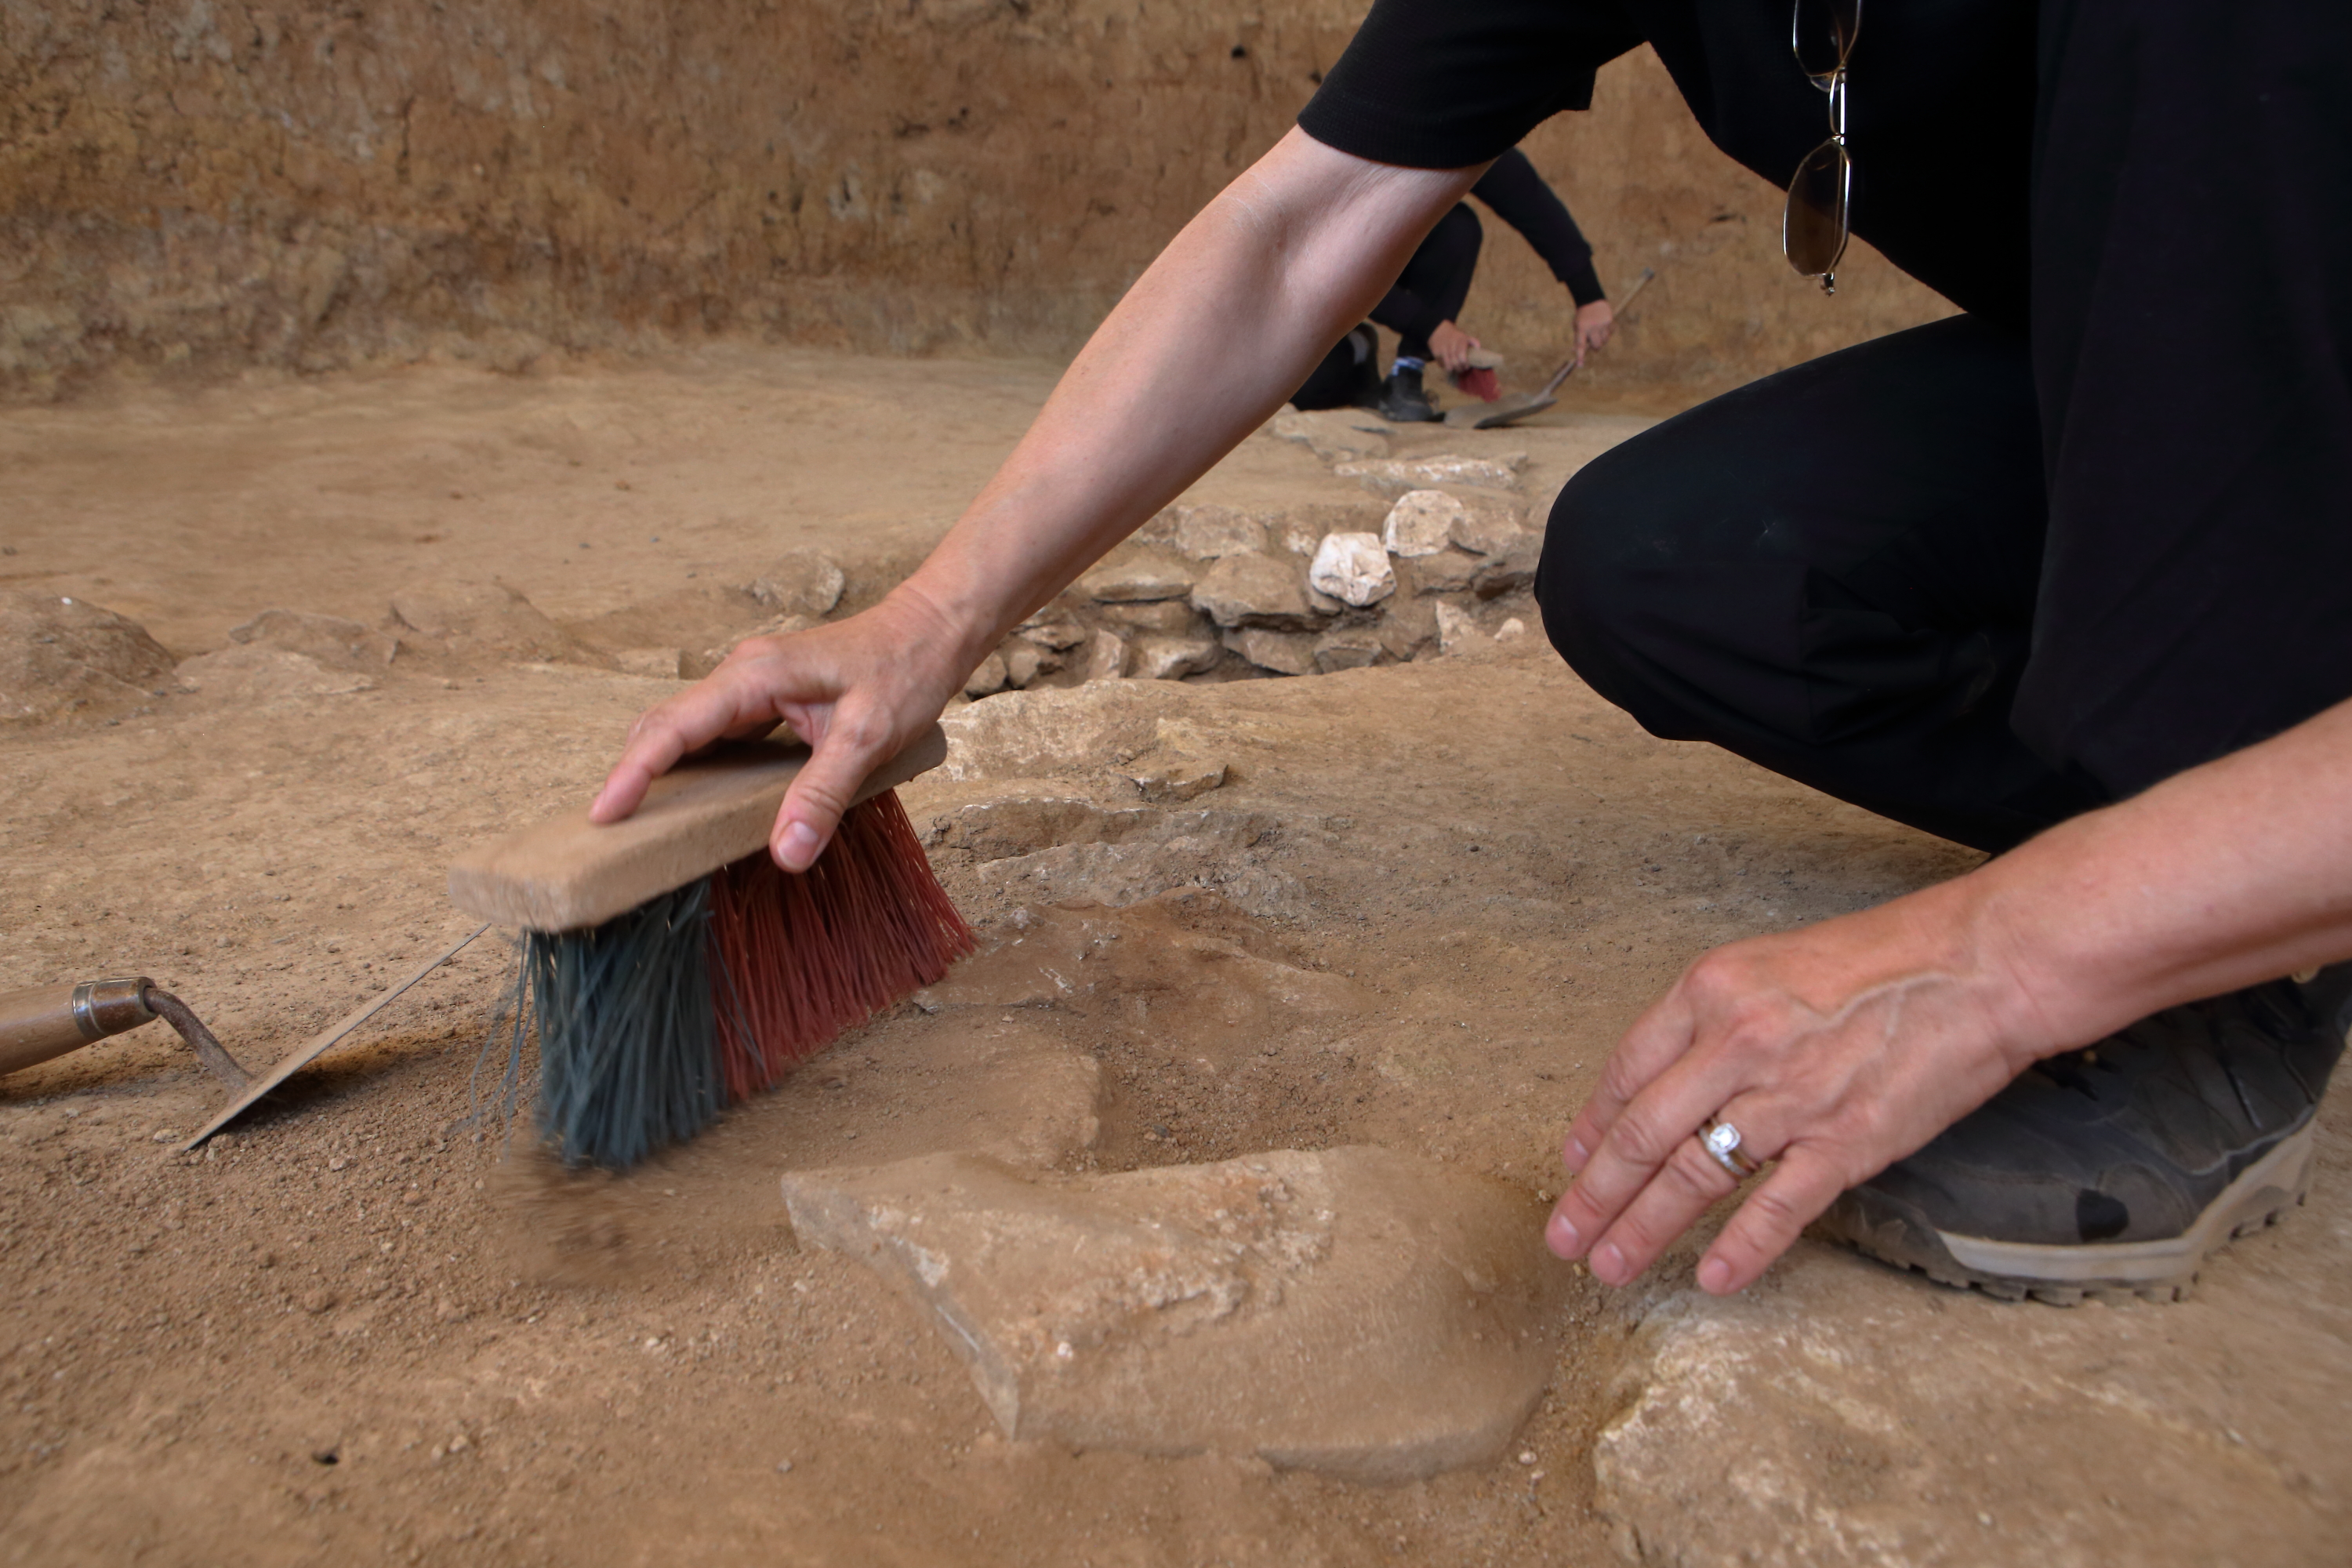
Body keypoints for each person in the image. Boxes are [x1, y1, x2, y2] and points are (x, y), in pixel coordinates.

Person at [593, 1, 2352, 1305]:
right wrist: (927, 617)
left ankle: (2226, 958)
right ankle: (2247, 825)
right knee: (1674, 567)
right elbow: (1296, 228)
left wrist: (2013, 951)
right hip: (2177, 393)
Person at [1290, 147, 1617, 422]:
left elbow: (1524, 195)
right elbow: (1335, 269)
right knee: (1306, 391)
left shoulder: (1455, 121)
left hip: (1385, 252)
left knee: (1457, 228)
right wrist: (1431, 328)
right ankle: (1353, 346)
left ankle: (1407, 371)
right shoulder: (1360, 135)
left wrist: (1589, 296)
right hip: (1312, 281)